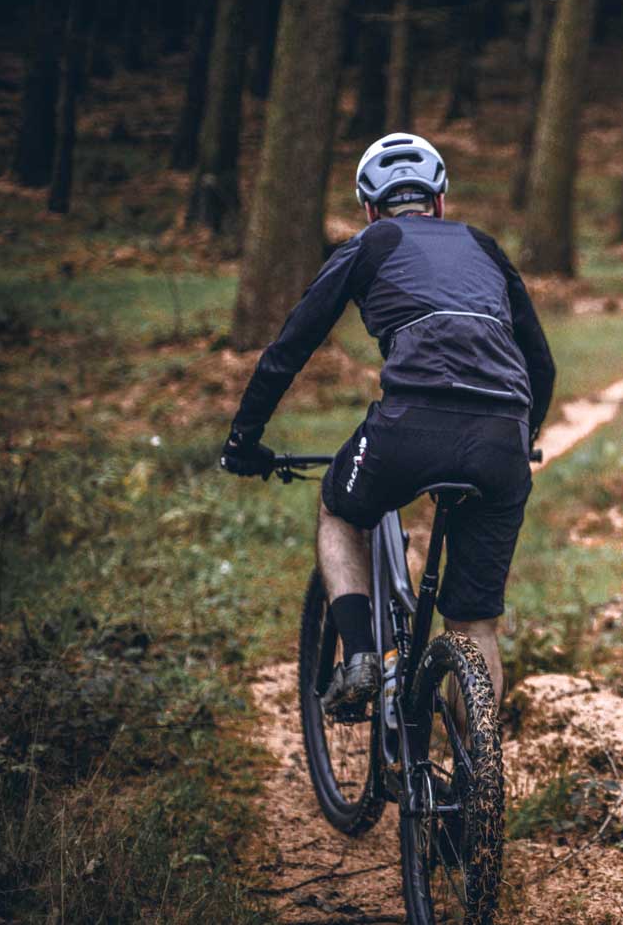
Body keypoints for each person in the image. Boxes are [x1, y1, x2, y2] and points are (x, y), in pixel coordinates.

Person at [220, 133, 554, 713]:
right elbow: (540, 364)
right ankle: (477, 766)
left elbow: (289, 348)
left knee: (339, 509)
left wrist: (243, 439)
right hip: (502, 434)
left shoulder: (371, 243)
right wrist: (524, 438)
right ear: (439, 201)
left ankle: (360, 658)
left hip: (409, 427)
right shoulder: (483, 246)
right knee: (474, 623)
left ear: (370, 210)